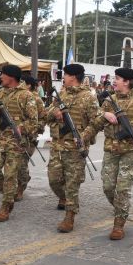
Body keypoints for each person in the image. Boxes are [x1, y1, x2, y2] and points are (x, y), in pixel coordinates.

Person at [81, 68, 133, 240]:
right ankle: (120, 208)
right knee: (108, 187)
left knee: (122, 189)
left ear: (127, 82)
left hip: (131, 152)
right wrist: (85, 135)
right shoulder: (109, 101)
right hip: (111, 150)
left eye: (117, 78)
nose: (114, 81)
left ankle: (118, 224)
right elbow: (96, 123)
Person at [47, 64, 99, 233]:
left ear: (73, 77)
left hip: (76, 147)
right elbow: (46, 114)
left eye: (66, 75)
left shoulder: (89, 97)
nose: (63, 77)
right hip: (58, 145)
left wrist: (82, 137)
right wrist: (54, 113)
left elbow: (96, 122)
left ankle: (70, 216)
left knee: (72, 183)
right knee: (54, 179)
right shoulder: (61, 94)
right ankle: (64, 198)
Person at [0, 65, 38, 222]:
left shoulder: (26, 96)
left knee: (10, 175)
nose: (0, 77)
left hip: (15, 142)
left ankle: (6, 206)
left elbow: (33, 122)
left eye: (3, 75)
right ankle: (9, 191)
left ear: (11, 78)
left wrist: (21, 127)